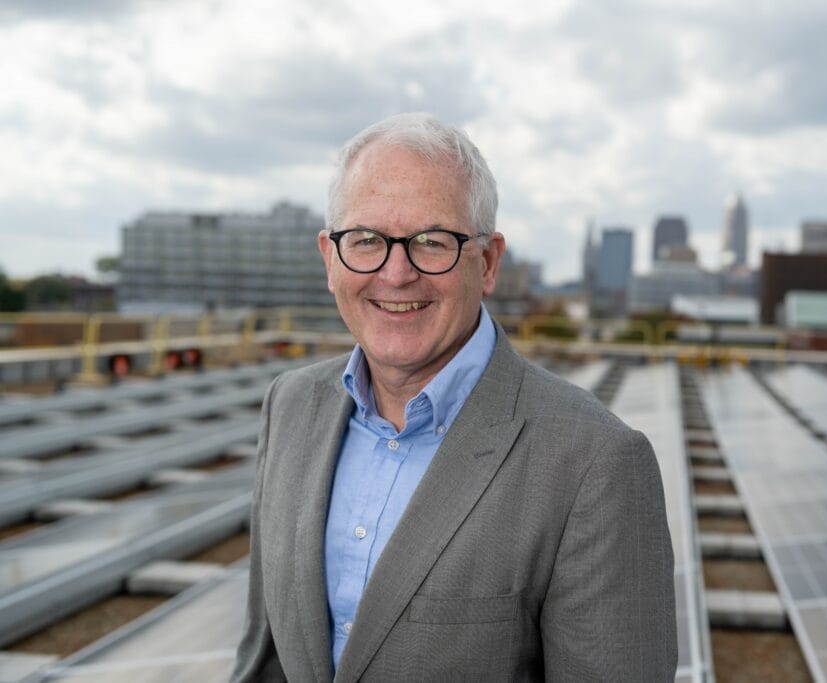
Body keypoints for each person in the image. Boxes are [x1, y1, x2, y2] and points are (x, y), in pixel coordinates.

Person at [231, 112, 676, 682]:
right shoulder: (291, 405)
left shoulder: (595, 461)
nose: (395, 274)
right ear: (329, 257)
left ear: (487, 262)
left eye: (431, 242)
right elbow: (263, 662)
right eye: (366, 241)